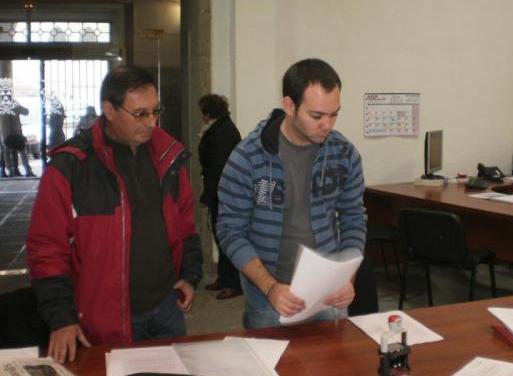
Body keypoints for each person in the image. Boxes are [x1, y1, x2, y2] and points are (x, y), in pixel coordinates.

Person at [26, 66, 203, 363]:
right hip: (106, 318)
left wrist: (189, 273)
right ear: (109, 109)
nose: (152, 122)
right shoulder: (71, 167)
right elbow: (46, 249)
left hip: (166, 308)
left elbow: (185, 224)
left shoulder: (168, 156)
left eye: (156, 111)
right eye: (140, 114)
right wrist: (61, 318)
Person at [217, 58, 368, 329]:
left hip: (328, 294)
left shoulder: (343, 154)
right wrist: (270, 287)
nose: (328, 125)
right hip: (269, 297)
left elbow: (354, 219)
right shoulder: (248, 158)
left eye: (335, 114)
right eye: (317, 116)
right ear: (289, 106)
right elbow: (230, 231)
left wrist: (348, 276)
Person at [197, 94, 242, 299]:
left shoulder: (222, 132)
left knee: (226, 237)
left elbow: (218, 168)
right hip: (223, 192)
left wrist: (207, 196)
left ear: (208, 113)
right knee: (221, 237)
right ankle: (225, 279)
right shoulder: (221, 128)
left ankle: (233, 283)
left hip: (225, 193)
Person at [0, 100, 35, 177]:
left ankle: (10, 171)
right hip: (16, 133)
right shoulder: (14, 104)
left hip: (5, 134)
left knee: (6, 153)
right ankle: (28, 171)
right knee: (22, 152)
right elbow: (26, 112)